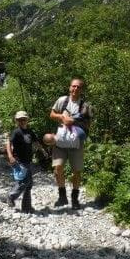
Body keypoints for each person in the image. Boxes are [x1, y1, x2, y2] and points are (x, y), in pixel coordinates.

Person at [50, 78, 92, 209]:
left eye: (78, 87)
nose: (75, 89)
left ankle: (74, 198)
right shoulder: (62, 100)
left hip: (76, 142)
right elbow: (51, 114)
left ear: (82, 90)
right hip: (60, 140)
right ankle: (62, 197)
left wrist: (73, 121)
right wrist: (62, 117)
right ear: (69, 87)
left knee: (77, 171)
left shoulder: (86, 106)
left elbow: (89, 124)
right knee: (58, 168)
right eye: (73, 86)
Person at [6, 110, 43, 213]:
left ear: (27, 120)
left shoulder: (30, 132)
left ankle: (26, 207)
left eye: (24, 119)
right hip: (19, 161)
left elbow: (36, 142)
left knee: (29, 183)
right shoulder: (16, 132)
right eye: (20, 120)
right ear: (17, 121)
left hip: (28, 161)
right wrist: (10, 156)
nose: (22, 121)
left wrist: (43, 151)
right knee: (24, 181)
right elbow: (8, 143)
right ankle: (11, 196)